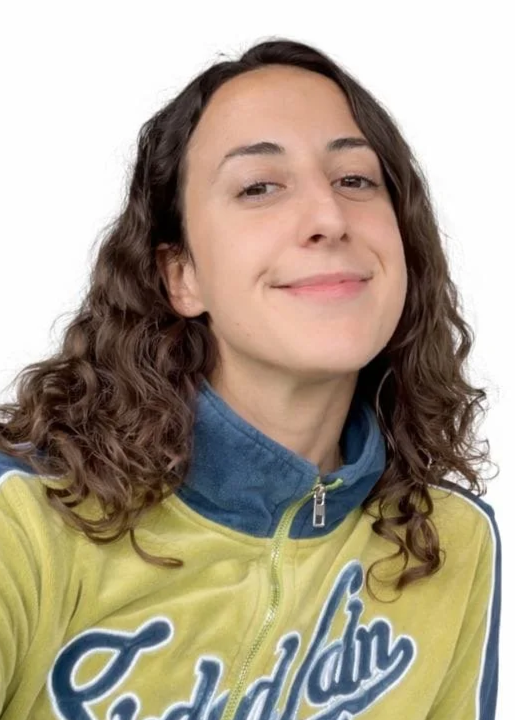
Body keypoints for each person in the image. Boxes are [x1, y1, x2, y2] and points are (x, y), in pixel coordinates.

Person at [0, 37, 500, 720]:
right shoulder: (22, 520)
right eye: (258, 187)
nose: (328, 218)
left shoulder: (447, 542)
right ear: (182, 275)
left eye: (355, 179)